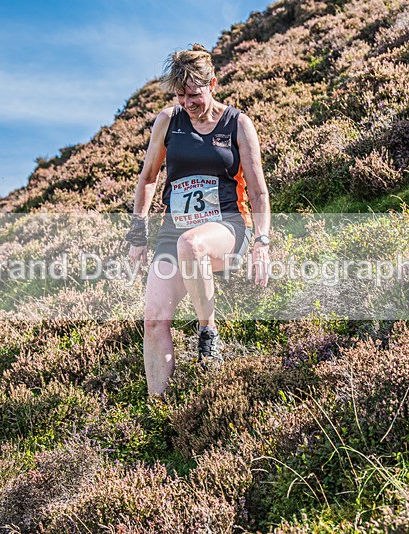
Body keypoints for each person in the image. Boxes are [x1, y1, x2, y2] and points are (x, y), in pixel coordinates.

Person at [126, 44, 271, 396]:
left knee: (191, 245)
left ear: (213, 84)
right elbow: (148, 178)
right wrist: (138, 232)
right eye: (180, 95)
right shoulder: (168, 121)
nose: (188, 103)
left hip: (227, 226)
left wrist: (262, 243)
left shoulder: (237, 124)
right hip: (174, 229)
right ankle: (157, 406)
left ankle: (208, 332)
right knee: (154, 319)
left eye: (194, 94)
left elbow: (258, 192)